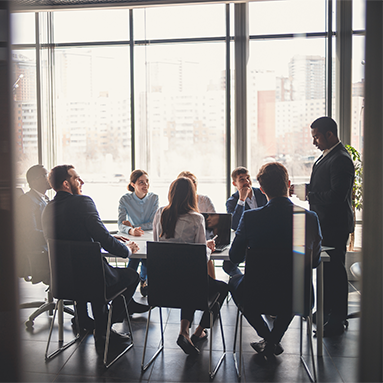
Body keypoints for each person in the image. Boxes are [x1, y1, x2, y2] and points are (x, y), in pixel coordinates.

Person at [42, 165, 149, 350]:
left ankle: (83, 320)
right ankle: (104, 328)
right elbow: (103, 239)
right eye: (77, 178)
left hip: (63, 281)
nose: (81, 181)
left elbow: (73, 235)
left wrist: (106, 237)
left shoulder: (47, 209)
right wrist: (127, 250)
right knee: (132, 276)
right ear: (66, 184)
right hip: (92, 280)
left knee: (90, 274)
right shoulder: (83, 202)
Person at [229, 162, 322, 358]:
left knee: (234, 283)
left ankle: (267, 336)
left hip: (257, 294)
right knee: (290, 286)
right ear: (288, 184)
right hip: (299, 296)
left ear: (261, 190)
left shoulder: (251, 218)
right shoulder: (307, 218)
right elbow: (314, 262)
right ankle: (274, 338)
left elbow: (234, 258)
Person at [292, 116, 355, 336]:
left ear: (330, 134)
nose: (314, 142)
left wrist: (310, 194)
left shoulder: (341, 159)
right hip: (325, 223)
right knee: (327, 271)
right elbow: (324, 185)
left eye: (316, 136)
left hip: (335, 225)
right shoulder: (327, 156)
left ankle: (337, 320)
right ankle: (326, 312)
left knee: (335, 272)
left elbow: (338, 195)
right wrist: (304, 189)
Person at [153, 177, 228, 355]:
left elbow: (156, 245)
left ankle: (184, 331)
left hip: (162, 287)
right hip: (190, 286)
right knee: (220, 289)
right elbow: (201, 258)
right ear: (192, 196)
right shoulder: (196, 219)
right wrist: (208, 248)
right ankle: (198, 330)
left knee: (191, 281)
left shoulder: (160, 213)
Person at [118, 169, 159, 297]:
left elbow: (153, 223)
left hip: (149, 236)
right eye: (141, 182)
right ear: (133, 184)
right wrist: (130, 230)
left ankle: (141, 281)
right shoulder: (125, 199)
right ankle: (130, 286)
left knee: (147, 256)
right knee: (134, 256)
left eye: (147, 181)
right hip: (133, 236)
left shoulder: (154, 198)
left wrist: (133, 227)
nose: (145, 184)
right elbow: (121, 224)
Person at [223, 166, 267, 277]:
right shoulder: (232, 202)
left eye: (248, 178)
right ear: (234, 184)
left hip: (265, 238)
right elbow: (235, 225)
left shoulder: (262, 193)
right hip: (246, 241)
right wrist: (241, 200)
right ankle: (244, 280)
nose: (247, 181)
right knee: (228, 265)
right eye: (242, 179)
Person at [178, 170, 216, 278]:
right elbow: (201, 253)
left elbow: (214, 220)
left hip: (206, 235)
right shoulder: (197, 218)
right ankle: (209, 288)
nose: (192, 185)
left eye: (193, 181)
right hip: (192, 249)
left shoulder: (161, 213)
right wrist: (206, 247)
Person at [17, 165, 52, 284]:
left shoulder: (44, 199)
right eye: (44, 175)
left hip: (48, 250)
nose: (48, 178)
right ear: (33, 181)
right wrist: (55, 236)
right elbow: (31, 234)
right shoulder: (27, 200)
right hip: (40, 255)